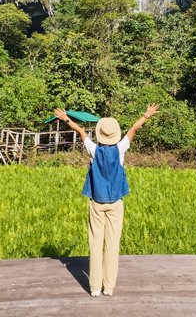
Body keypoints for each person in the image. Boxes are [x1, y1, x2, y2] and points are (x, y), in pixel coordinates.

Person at [54, 104, 159, 298]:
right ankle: (108, 287)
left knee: (95, 244)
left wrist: (65, 118)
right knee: (112, 245)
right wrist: (147, 115)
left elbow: (80, 132)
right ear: (115, 135)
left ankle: (94, 288)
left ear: (100, 134)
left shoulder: (93, 150)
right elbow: (134, 129)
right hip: (116, 203)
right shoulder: (120, 149)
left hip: (97, 202)